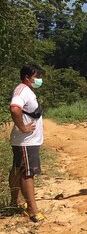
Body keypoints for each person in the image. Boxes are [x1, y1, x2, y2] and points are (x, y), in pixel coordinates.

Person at [9, 64, 46, 222]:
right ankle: (32, 210)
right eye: (37, 77)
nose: (39, 80)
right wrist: (23, 127)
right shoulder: (21, 91)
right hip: (26, 141)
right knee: (27, 173)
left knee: (18, 170)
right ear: (27, 77)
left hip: (26, 141)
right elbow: (14, 109)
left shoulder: (27, 91)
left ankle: (14, 201)